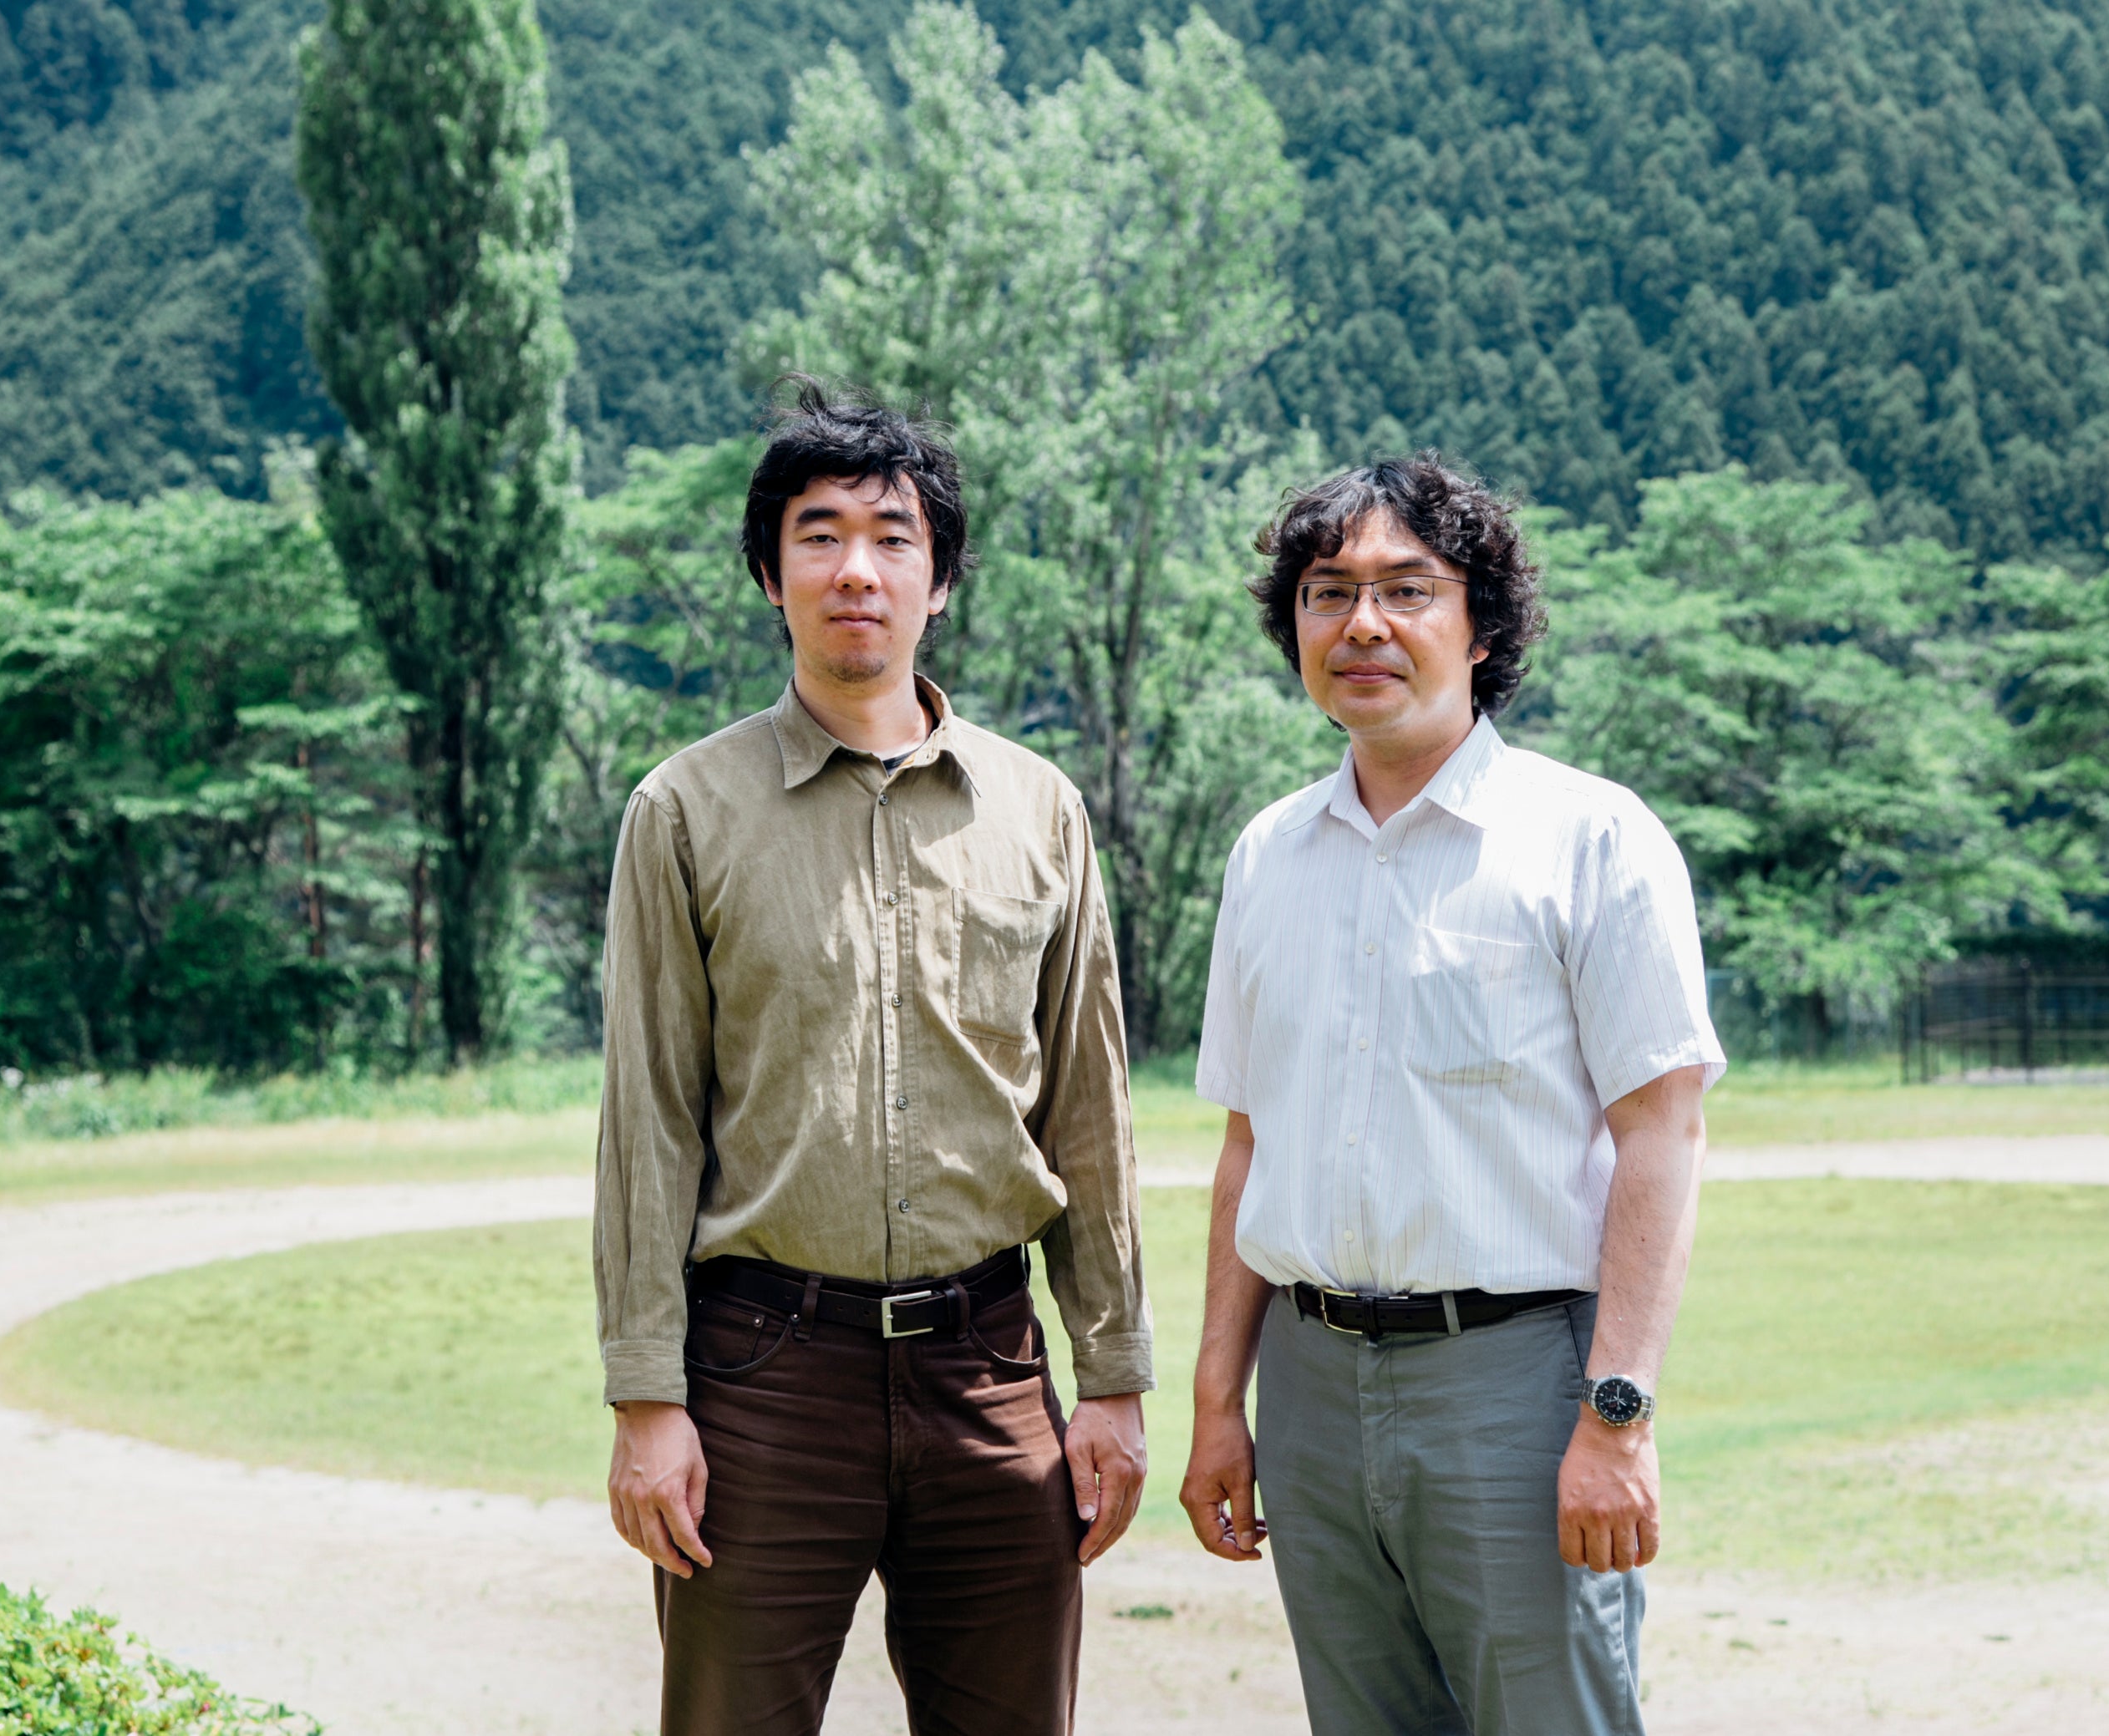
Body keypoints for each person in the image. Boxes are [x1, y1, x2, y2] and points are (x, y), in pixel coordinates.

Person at [594, 382, 1151, 1736]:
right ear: (770, 574)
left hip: (990, 1369)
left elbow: (1088, 1113)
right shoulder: (684, 809)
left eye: (894, 537)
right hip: (763, 1376)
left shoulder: (1039, 810)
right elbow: (649, 1122)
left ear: (939, 580)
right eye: (820, 535)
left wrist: (1113, 1377)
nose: (857, 568)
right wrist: (646, 1398)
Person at [1176, 456, 1721, 1734]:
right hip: (1307, 1382)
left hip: (1516, 1380)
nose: (1361, 623)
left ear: (1481, 628)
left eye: (1405, 589)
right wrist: (1215, 1404)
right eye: (1327, 592)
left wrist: (1616, 1417)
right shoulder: (1266, 855)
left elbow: (1662, 1135)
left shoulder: (1590, 839)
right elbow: (1250, 1143)